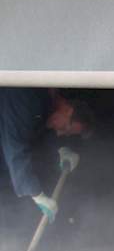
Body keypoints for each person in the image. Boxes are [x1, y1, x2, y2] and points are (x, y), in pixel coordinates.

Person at [0, 88, 91, 221]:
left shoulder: (48, 105)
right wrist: (36, 194)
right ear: (68, 110)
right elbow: (16, 144)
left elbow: (42, 131)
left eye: (66, 134)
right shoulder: (26, 97)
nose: (60, 133)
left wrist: (60, 149)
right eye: (65, 128)